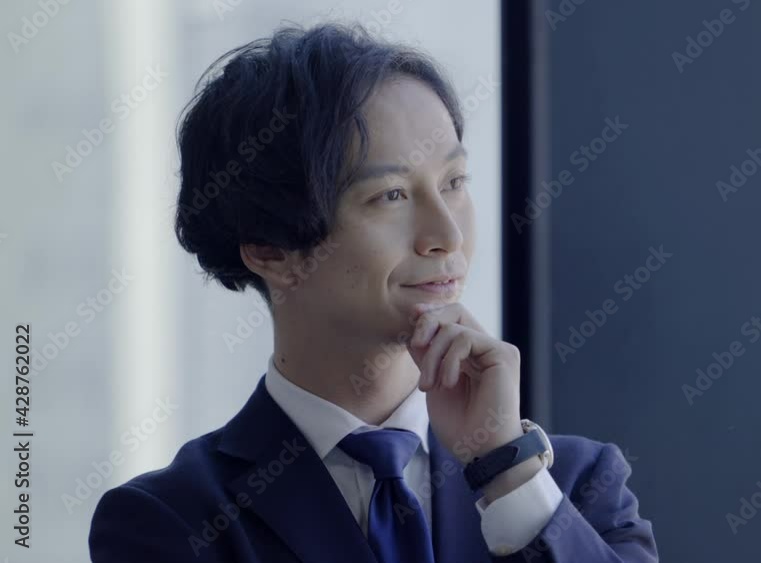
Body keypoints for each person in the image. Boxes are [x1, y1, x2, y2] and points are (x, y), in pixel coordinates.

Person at [88, 22, 657, 563]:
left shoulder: (574, 485)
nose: (448, 235)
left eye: (454, 183)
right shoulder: (171, 520)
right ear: (270, 250)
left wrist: (504, 468)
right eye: (391, 196)